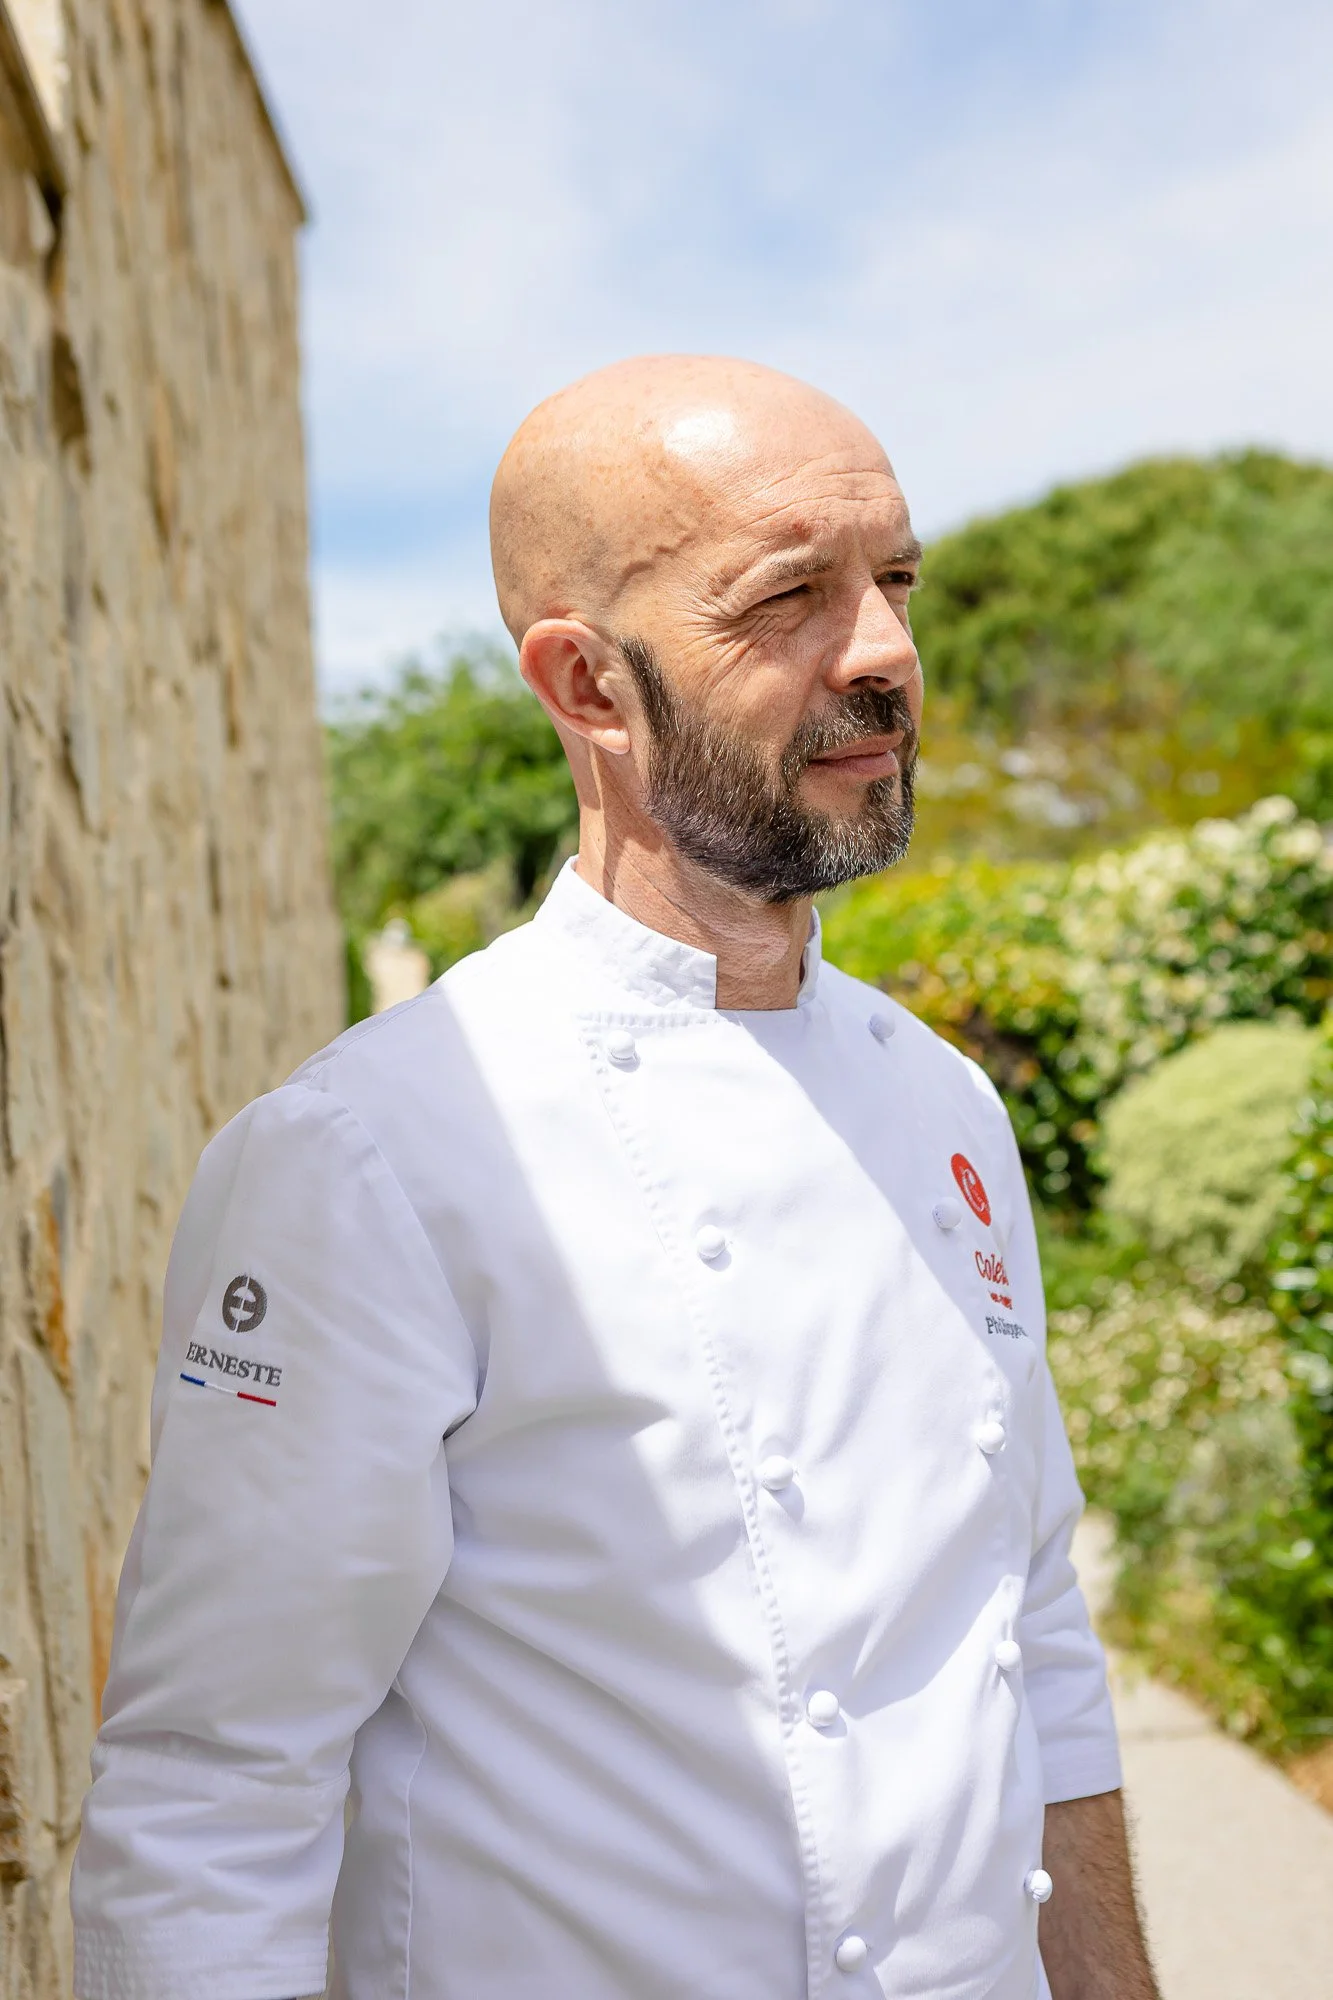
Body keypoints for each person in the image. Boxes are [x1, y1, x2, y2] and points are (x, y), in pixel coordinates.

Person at [72, 356, 1159, 2000]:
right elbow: (221, 1787)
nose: (886, 654)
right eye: (789, 596)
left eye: (896, 583)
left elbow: (1034, 1641)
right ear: (588, 686)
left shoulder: (947, 1108)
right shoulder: (369, 1156)